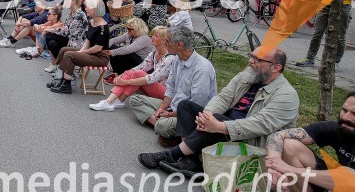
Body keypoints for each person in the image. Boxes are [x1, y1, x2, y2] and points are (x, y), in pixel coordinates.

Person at [141, 47, 299, 176]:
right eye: (251, 56)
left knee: (217, 119)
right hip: (224, 125)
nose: (250, 61)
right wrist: (207, 115)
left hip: (250, 140)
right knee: (185, 106)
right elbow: (224, 97)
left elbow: (259, 125)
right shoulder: (247, 76)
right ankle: (193, 160)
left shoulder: (286, 95)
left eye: (257, 59)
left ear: (276, 67)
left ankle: (172, 155)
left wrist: (219, 126)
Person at [129, 25, 217, 146]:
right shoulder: (177, 60)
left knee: (162, 126)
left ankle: (169, 129)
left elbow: (195, 106)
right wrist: (162, 109)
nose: (165, 43)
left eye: (167, 41)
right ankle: (170, 130)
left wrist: (169, 115)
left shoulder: (202, 69)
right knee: (135, 100)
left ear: (179, 45)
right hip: (173, 106)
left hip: (190, 115)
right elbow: (170, 88)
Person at [89, 26, 175, 111]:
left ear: (164, 41)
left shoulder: (169, 58)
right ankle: (111, 101)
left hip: (167, 95)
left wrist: (126, 82)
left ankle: (115, 101)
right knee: (133, 72)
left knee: (139, 73)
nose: (151, 37)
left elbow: (152, 78)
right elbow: (140, 67)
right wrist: (121, 75)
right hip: (155, 87)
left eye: (155, 36)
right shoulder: (154, 53)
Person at [48, 0, 110, 95]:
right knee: (64, 50)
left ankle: (66, 84)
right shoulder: (92, 22)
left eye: (88, 7)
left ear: (95, 9)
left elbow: (97, 48)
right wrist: (81, 51)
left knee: (69, 54)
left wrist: (82, 52)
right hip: (91, 53)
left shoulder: (103, 27)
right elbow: (88, 41)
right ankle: (59, 77)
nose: (85, 8)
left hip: (100, 57)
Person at [44, 0, 89, 73]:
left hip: (76, 43)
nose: (65, 2)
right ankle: (58, 65)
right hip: (70, 39)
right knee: (51, 43)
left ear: (73, 1)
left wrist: (50, 30)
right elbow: (65, 28)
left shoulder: (80, 15)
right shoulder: (71, 13)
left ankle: (59, 65)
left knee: (49, 35)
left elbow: (68, 32)